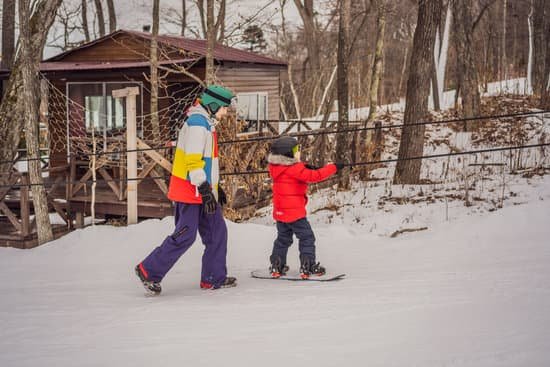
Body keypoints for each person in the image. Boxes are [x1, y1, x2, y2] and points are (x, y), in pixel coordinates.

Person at [135, 85, 237, 295]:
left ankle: (213, 277)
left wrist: (215, 189)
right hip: (190, 191)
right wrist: (206, 189)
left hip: (204, 190)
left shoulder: (207, 124)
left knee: (217, 231)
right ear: (214, 104)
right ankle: (148, 270)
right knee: (186, 235)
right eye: (225, 107)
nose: (226, 112)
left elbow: (207, 162)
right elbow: (193, 161)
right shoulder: (198, 124)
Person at [267, 136, 345, 279]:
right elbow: (316, 176)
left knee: (283, 239)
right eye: (296, 150)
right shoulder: (295, 169)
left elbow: (299, 171)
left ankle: (277, 265)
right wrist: (333, 167)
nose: (298, 153)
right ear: (288, 154)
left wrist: (305, 166)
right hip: (295, 214)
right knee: (307, 238)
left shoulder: (276, 167)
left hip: (280, 213)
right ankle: (307, 266)